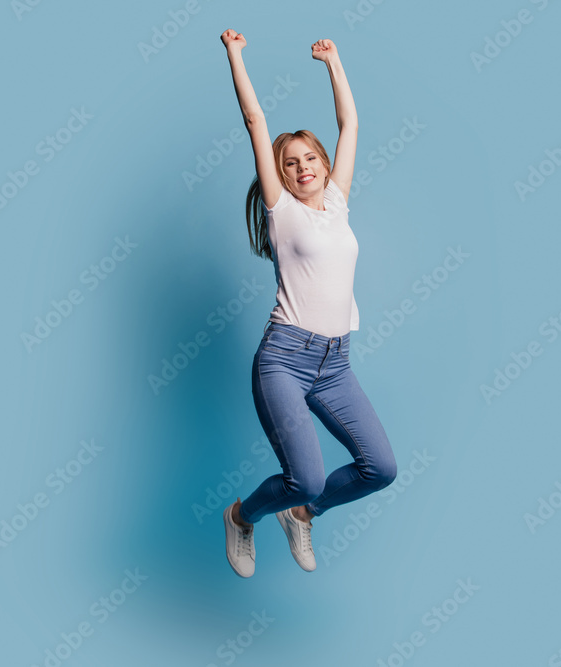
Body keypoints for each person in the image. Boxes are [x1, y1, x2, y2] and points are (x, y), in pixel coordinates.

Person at [219, 29, 397, 577]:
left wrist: (334, 63)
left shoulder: (337, 204)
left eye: (310, 158)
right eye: (291, 163)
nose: (303, 169)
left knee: (380, 469)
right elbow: (255, 121)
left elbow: (351, 126)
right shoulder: (283, 210)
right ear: (283, 173)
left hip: (336, 362)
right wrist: (236, 55)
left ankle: (301, 514)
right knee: (309, 473)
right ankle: (242, 517)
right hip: (285, 360)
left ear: (322, 162)